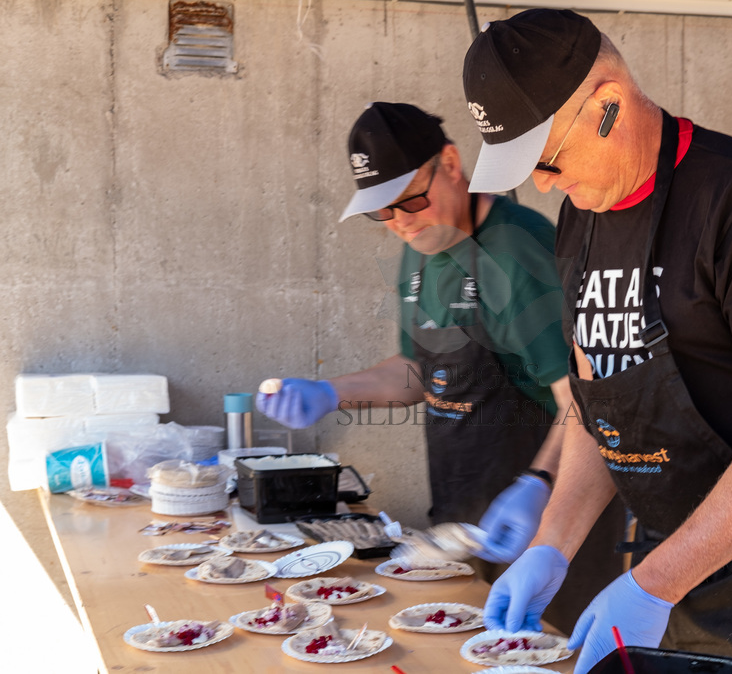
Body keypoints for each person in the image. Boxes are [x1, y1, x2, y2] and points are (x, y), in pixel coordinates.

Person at [461, 9, 732, 674]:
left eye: (548, 160)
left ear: (607, 106)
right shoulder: (580, 219)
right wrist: (552, 543)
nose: (546, 185)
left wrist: (653, 583)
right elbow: (598, 402)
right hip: (695, 540)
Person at [256, 101, 623, 632]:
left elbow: (584, 397)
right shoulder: (421, 244)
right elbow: (416, 371)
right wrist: (329, 391)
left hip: (550, 520)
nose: (400, 223)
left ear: (450, 164)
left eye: (410, 201)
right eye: (383, 212)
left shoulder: (517, 253)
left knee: (542, 652)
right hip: (461, 514)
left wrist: (538, 483)